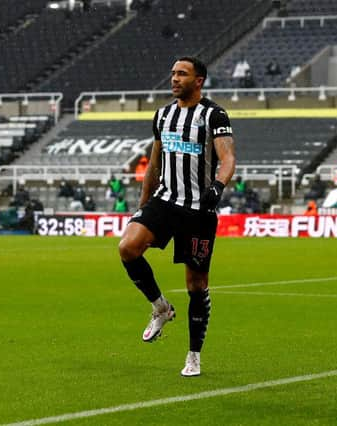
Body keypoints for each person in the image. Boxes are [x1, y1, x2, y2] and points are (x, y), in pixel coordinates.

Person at [118, 56, 236, 377]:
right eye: (172, 73)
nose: (174, 78)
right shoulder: (163, 115)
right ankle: (160, 307)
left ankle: (194, 355)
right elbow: (154, 164)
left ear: (198, 81)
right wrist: (142, 207)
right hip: (165, 201)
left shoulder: (214, 115)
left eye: (181, 74)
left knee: (196, 286)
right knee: (127, 247)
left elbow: (227, 158)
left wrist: (218, 186)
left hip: (198, 209)